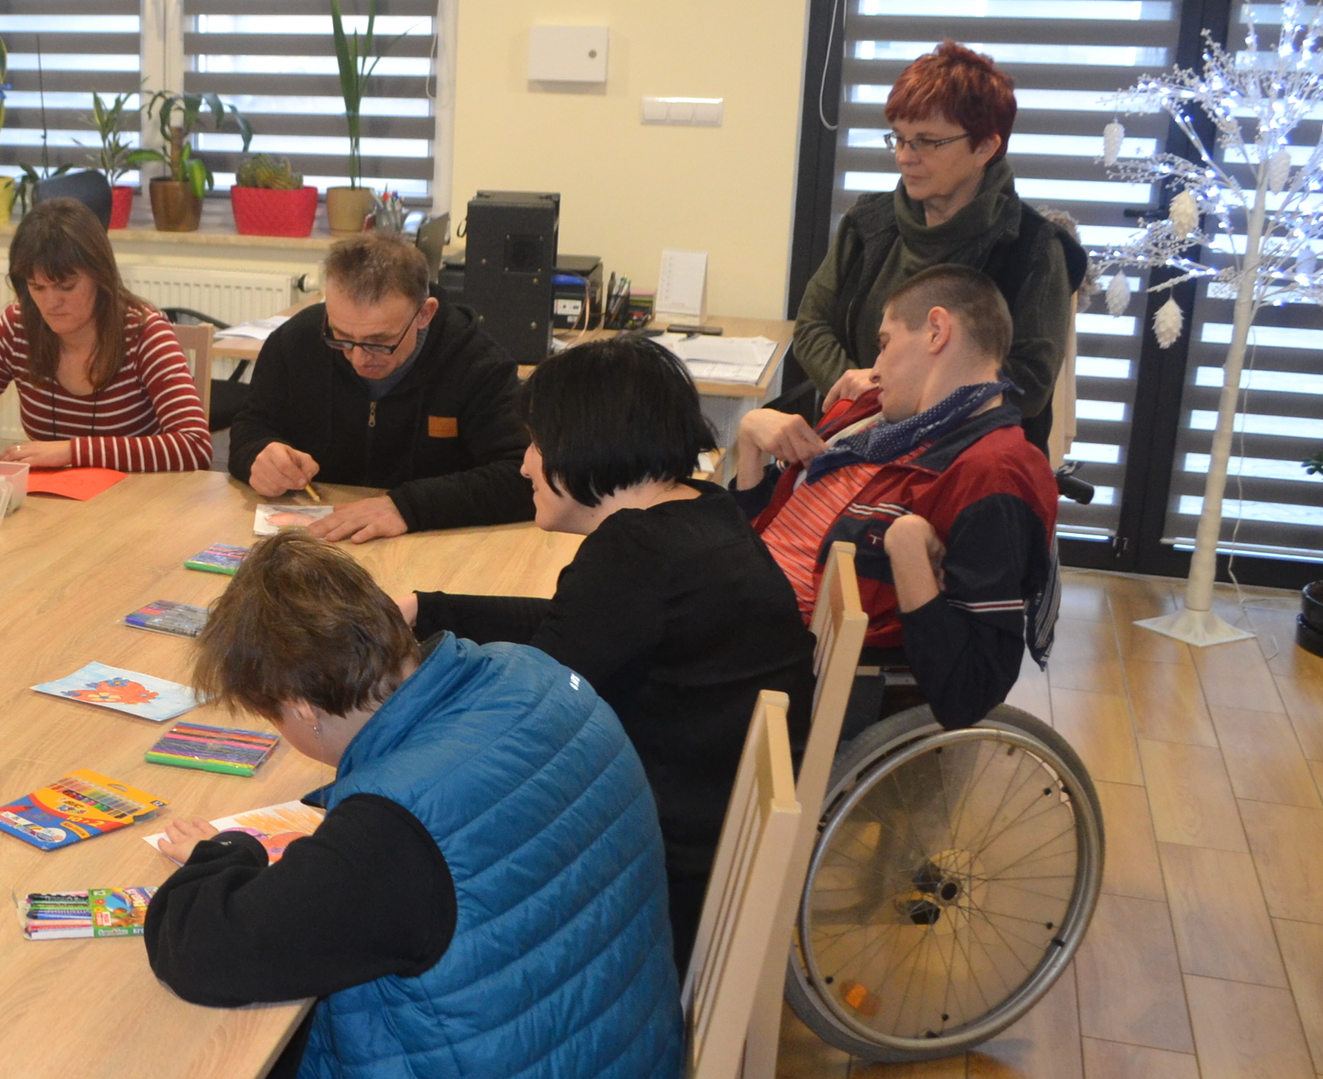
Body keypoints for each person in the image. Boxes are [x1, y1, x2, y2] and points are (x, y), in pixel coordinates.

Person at [145, 532, 683, 1078]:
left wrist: (225, 852)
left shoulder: (393, 827)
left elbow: (200, 953)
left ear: (300, 705)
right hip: (623, 1046)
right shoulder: (530, 670)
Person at [396, 336, 813, 964]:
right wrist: (425, 611)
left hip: (651, 883)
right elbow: (570, 627)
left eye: (536, 444)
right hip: (701, 841)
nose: (525, 467)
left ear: (584, 440)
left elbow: (524, 710)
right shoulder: (699, 513)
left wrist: (395, 704)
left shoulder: (634, 554)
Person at [738, 265, 1058, 730]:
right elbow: (771, 528)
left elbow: (969, 693)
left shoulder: (993, 473)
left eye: (885, 344)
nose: (875, 368)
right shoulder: (879, 420)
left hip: (774, 666)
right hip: (742, 599)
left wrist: (908, 551)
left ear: (936, 331)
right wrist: (750, 440)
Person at [789, 39, 1084, 449]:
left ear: (985, 147)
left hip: (962, 463)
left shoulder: (1034, 249)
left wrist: (888, 390)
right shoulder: (868, 222)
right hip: (857, 445)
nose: (905, 157)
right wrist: (868, 397)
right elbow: (812, 326)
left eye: (927, 142)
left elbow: (1029, 386)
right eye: (899, 138)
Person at [227, 232, 532, 542]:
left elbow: (524, 476)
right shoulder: (295, 341)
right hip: (319, 540)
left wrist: (407, 507)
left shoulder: (476, 364)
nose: (359, 359)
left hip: (434, 541)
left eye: (380, 341)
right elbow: (251, 426)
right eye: (341, 337)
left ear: (424, 314)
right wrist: (258, 455)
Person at [0, 198, 211, 471]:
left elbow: (195, 446)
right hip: (50, 502)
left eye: (66, 287)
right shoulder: (16, 328)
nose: (50, 303)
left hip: (135, 501)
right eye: (37, 287)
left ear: (100, 276)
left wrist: (72, 452)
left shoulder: (145, 333)